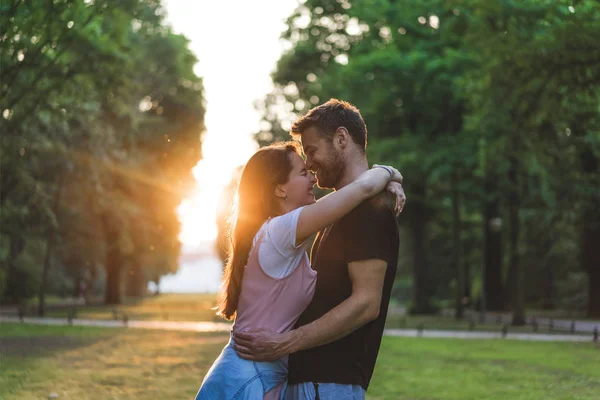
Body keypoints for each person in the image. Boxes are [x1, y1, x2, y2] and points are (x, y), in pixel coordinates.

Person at [195, 140, 404, 399]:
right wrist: (390, 173)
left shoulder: (279, 236)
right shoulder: (280, 233)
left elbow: (356, 193)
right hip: (248, 378)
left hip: (261, 375)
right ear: (280, 189)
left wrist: (386, 180)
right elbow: (361, 189)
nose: (313, 179)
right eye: (303, 173)